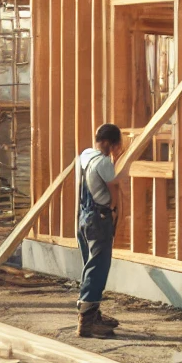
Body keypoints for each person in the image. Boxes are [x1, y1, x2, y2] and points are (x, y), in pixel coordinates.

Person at [76, 124, 127, 339]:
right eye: (116, 145)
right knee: (98, 268)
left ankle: (92, 313)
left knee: (90, 266)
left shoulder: (85, 156)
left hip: (84, 216)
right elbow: (114, 186)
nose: (117, 150)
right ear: (109, 143)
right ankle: (86, 323)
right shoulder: (104, 162)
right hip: (99, 217)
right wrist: (115, 211)